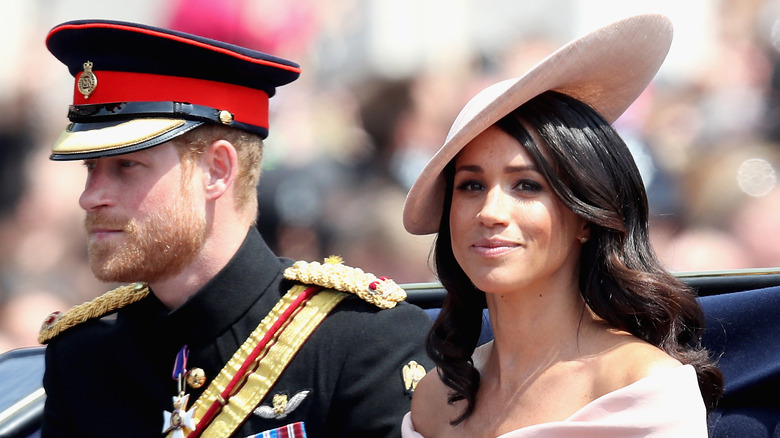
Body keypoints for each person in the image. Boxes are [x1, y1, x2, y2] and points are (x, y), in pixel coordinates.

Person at [37, 19, 433, 438]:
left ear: (217, 170)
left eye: (125, 166)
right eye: (90, 168)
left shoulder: (363, 340)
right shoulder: (82, 355)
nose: (90, 196)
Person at [400, 14, 723, 437]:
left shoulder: (642, 386)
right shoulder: (434, 399)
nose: (490, 211)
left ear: (585, 218)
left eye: (527, 185)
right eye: (472, 185)